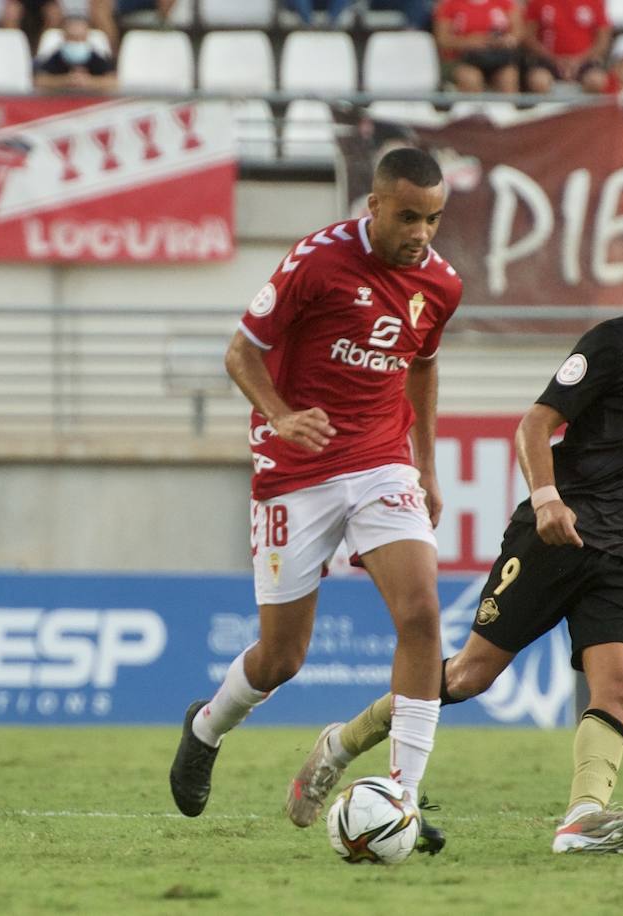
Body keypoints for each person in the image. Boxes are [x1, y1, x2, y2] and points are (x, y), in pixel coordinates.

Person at [284, 232, 623, 856]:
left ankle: (581, 819)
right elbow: (535, 424)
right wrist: (547, 498)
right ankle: (341, 744)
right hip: (557, 537)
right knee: (468, 676)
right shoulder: (613, 344)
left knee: (622, 686)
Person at [168, 148, 462, 853]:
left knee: (422, 615)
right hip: (294, 466)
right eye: (409, 217)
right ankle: (206, 727)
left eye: (434, 218)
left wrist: (425, 463)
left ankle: (403, 798)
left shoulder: (442, 284)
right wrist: (279, 416)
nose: (422, 232)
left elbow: (421, 364)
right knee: (282, 656)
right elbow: (240, 353)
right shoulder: (317, 261)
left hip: (380, 461)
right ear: (374, 207)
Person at [433, 0, 525, 94]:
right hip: (461, 59)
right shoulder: (449, 4)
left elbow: (518, 33)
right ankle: (474, 107)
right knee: (471, 79)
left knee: (508, 77)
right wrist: (468, 42)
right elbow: (442, 39)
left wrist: (505, 40)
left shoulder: (504, 3)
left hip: (497, 57)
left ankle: (507, 107)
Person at [522, 0, 611, 93]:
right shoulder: (538, 2)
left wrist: (578, 61)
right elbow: (529, 37)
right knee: (538, 81)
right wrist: (555, 59)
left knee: (597, 81)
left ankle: (585, 107)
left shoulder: (595, 2)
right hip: (547, 61)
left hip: (585, 61)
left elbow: (603, 41)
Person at [34, 15, 116, 92]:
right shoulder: (56, 57)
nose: (76, 42)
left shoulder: (96, 57)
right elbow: (39, 80)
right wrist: (66, 80)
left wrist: (89, 81)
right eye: (72, 38)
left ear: (87, 37)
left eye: (80, 38)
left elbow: (113, 81)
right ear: (64, 37)